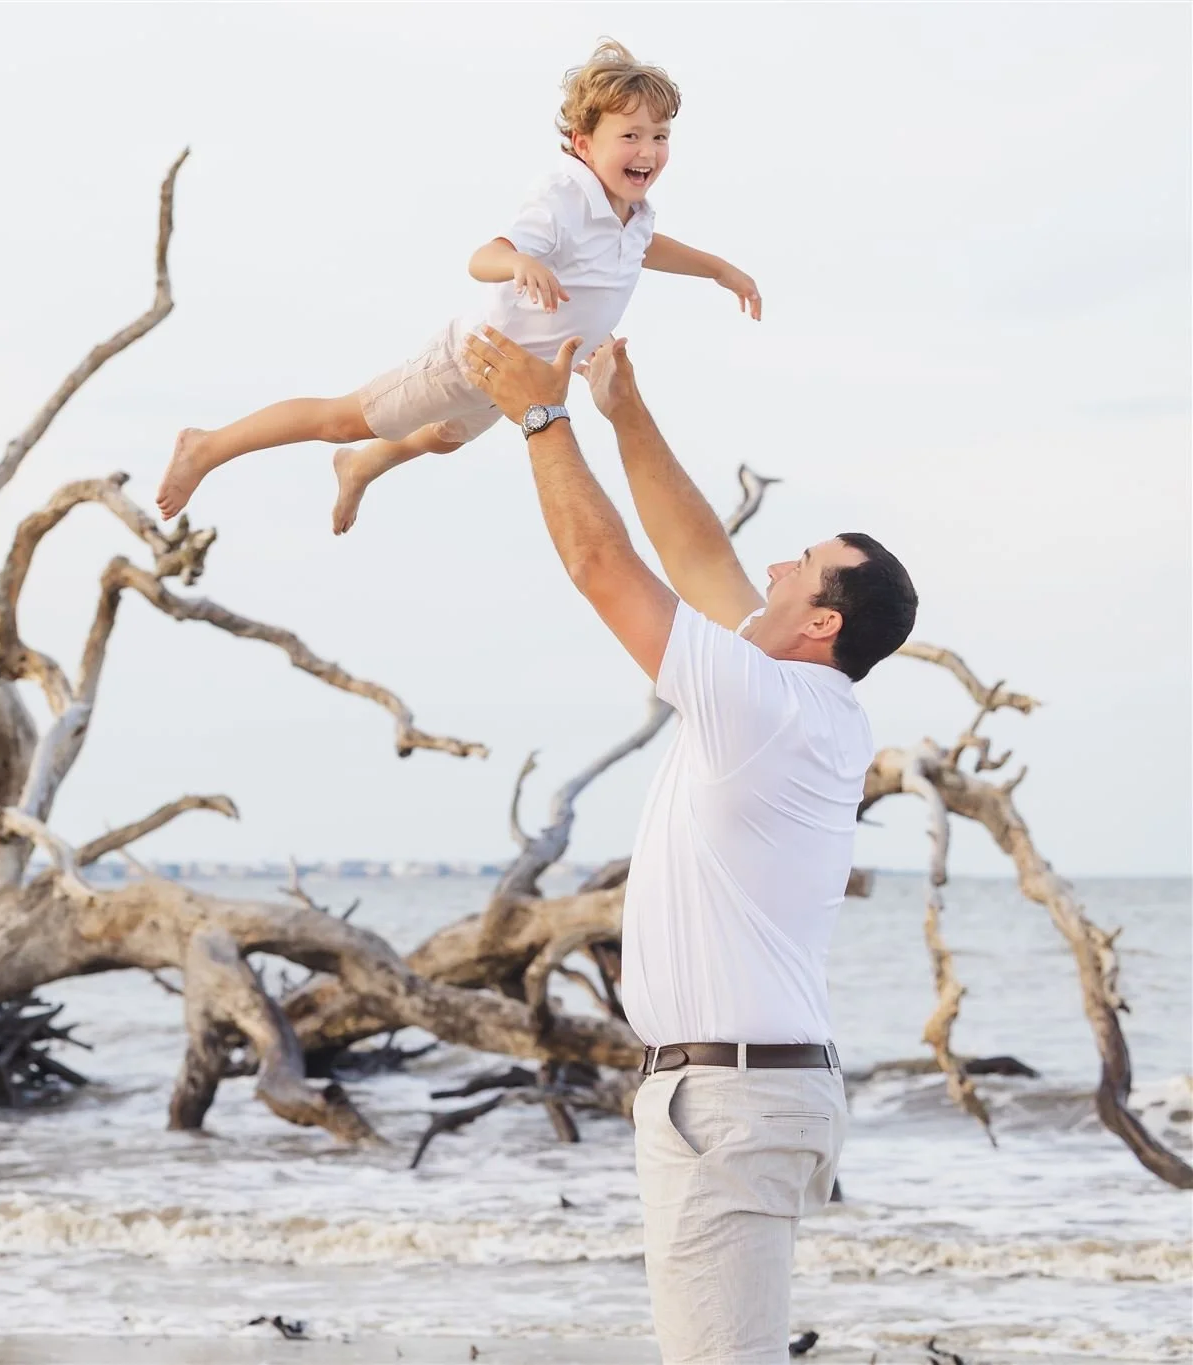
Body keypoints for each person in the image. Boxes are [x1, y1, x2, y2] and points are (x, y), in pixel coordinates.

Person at [457, 327, 917, 1363]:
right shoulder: (804, 696)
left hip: (731, 1096)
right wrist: (623, 411)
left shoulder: (766, 702)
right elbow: (694, 552)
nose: (768, 564)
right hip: (741, 1090)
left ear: (819, 622)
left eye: (796, 568)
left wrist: (541, 416)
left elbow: (598, 561)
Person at [154, 40, 760, 535]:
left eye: (659, 136)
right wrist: (521, 264)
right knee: (343, 417)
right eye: (630, 135)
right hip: (473, 358)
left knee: (443, 439)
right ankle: (207, 447)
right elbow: (484, 257)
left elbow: (644, 248)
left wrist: (719, 268)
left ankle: (360, 467)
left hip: (516, 381)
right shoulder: (562, 198)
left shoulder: (632, 211)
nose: (648, 151)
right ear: (583, 144)